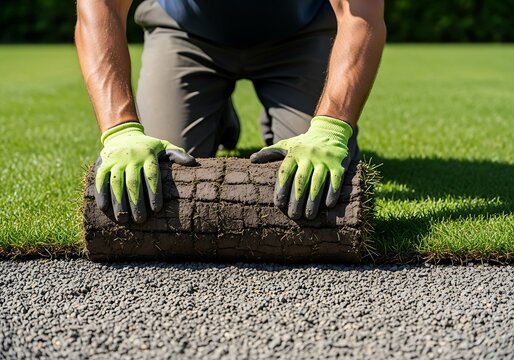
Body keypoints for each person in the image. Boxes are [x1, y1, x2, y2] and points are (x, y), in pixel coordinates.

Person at [75, 0, 386, 224]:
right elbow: (100, 6)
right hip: (186, 34)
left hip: (301, 34)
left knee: (315, 189)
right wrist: (120, 130)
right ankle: (217, 112)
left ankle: (283, 105)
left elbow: (362, 15)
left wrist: (330, 127)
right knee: (162, 174)